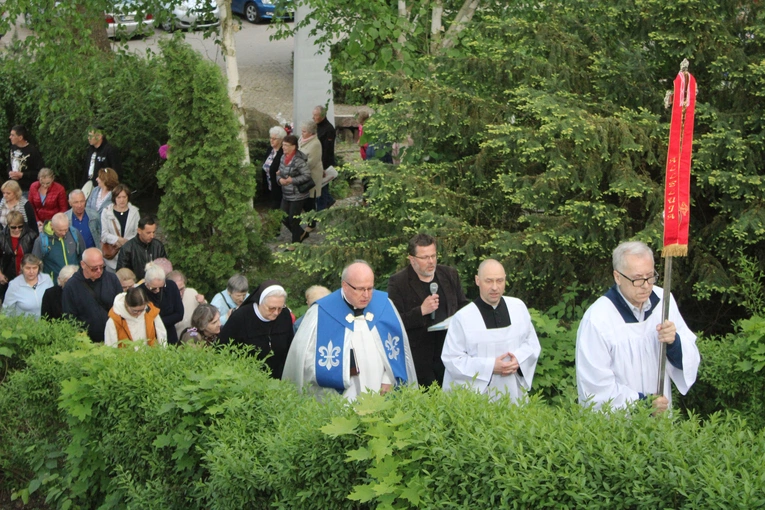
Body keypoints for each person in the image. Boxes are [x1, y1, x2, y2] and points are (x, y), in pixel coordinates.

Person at [576, 241, 700, 413]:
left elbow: (688, 359)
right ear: (617, 277)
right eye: (637, 279)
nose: (646, 285)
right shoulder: (598, 319)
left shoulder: (663, 301)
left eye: (650, 276)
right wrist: (644, 404)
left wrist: (673, 343)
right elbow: (595, 385)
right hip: (620, 425)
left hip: (661, 412)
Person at [282, 260, 417, 400]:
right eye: (360, 289)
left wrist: (388, 378)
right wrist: (339, 372)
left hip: (380, 391)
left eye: (370, 288)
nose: (366, 295)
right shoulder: (321, 313)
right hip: (342, 396)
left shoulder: (384, 305)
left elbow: (396, 349)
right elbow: (305, 357)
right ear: (345, 286)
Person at [441, 259, 541, 402]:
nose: (495, 287)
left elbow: (531, 344)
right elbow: (452, 359)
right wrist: (490, 366)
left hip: (514, 392)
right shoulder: (463, 318)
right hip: (479, 397)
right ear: (477, 280)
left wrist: (518, 360)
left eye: (499, 281)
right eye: (489, 281)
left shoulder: (518, 307)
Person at [388, 233, 470, 387]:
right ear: (412, 259)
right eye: (425, 257)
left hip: (450, 352)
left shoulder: (449, 274)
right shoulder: (399, 282)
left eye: (433, 256)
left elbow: (462, 305)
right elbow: (395, 323)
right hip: (420, 358)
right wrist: (421, 311)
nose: (431, 261)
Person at [219, 280, 294, 379]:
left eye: (280, 308)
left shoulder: (284, 315)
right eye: (271, 308)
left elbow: (290, 346)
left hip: (279, 379)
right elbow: (222, 349)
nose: (276, 313)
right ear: (260, 302)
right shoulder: (241, 317)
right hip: (248, 379)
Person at [62, 248, 123, 343]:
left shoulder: (111, 279)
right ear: (83, 265)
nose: (99, 271)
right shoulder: (72, 286)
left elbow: (121, 306)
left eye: (101, 266)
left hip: (114, 336)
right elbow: (69, 317)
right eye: (94, 268)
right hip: (88, 342)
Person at [277, 134, 312, 248]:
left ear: (294, 147)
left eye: (286, 145)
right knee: (283, 216)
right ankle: (301, 234)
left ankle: (295, 242)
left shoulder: (299, 160)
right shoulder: (283, 157)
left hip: (298, 194)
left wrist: (293, 180)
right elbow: (279, 173)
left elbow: (307, 175)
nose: (283, 147)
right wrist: (280, 180)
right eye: (283, 145)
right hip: (286, 193)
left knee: (293, 219)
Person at [139, 262, 184, 346]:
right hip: (149, 337)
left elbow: (179, 314)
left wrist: (157, 322)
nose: (157, 291)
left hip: (170, 335)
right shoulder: (140, 291)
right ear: (146, 283)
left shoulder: (171, 286)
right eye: (153, 288)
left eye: (161, 287)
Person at [32, 213, 85, 282]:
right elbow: (35, 264)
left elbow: (82, 255)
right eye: (60, 230)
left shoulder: (74, 233)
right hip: (54, 283)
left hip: (75, 280)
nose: (63, 233)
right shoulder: (41, 241)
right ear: (52, 226)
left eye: (66, 230)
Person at [0, 211, 38, 302]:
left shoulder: (31, 235)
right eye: (13, 227)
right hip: (7, 276)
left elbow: (35, 258)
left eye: (20, 226)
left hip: (27, 275)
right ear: (8, 225)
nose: (17, 229)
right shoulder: (2, 237)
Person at [1, 253, 53, 319]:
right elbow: (7, 311)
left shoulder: (47, 279)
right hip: (24, 326)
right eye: (28, 268)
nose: (31, 272)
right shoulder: (14, 285)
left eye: (34, 268)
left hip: (46, 325)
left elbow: (53, 302)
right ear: (21, 267)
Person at [116, 215, 167, 281]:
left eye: (153, 232)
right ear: (139, 231)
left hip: (155, 283)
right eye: (148, 233)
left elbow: (165, 268)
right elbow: (122, 273)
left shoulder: (158, 246)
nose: (152, 236)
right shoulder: (127, 248)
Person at [100, 184, 139, 270]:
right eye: (119, 197)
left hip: (130, 255)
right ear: (114, 198)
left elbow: (137, 232)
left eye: (124, 197)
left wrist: (126, 242)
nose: (122, 200)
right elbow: (103, 234)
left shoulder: (135, 212)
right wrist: (118, 239)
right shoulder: (106, 212)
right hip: (112, 257)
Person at [298, 120, 323, 232]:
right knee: (304, 199)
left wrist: (297, 168)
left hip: (311, 175)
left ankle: (312, 224)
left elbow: (311, 162)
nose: (302, 133)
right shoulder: (301, 139)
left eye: (304, 131)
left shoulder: (315, 144)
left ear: (311, 133)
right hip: (301, 173)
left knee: (310, 200)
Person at [167, 269, 206, 339]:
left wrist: (203, 303)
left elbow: (205, 315)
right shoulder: (166, 301)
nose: (180, 293)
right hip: (176, 342)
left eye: (182, 289)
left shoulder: (192, 293)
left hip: (195, 339)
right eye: (176, 290)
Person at [82, 127, 121, 193]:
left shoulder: (109, 150)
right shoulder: (90, 150)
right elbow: (86, 169)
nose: (88, 138)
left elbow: (116, 170)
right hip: (90, 186)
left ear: (99, 136)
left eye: (91, 136)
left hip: (104, 187)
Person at [312, 105, 336, 210]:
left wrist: (323, 167)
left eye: (315, 115)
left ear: (322, 116)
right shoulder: (317, 126)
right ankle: (329, 200)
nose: (313, 117)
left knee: (321, 188)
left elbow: (327, 151)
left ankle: (321, 211)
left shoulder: (329, 129)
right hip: (317, 162)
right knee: (320, 187)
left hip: (323, 163)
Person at [8, 125, 44, 193]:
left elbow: (40, 172)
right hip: (13, 187)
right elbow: (9, 164)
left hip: (27, 189)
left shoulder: (33, 151)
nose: (10, 137)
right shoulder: (12, 148)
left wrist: (22, 175)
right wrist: (10, 172)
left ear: (20, 137)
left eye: (12, 135)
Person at [262, 126, 286, 209]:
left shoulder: (283, 153)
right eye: (270, 138)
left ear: (281, 140)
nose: (271, 140)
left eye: (274, 138)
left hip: (279, 189)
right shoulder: (270, 150)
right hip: (269, 187)